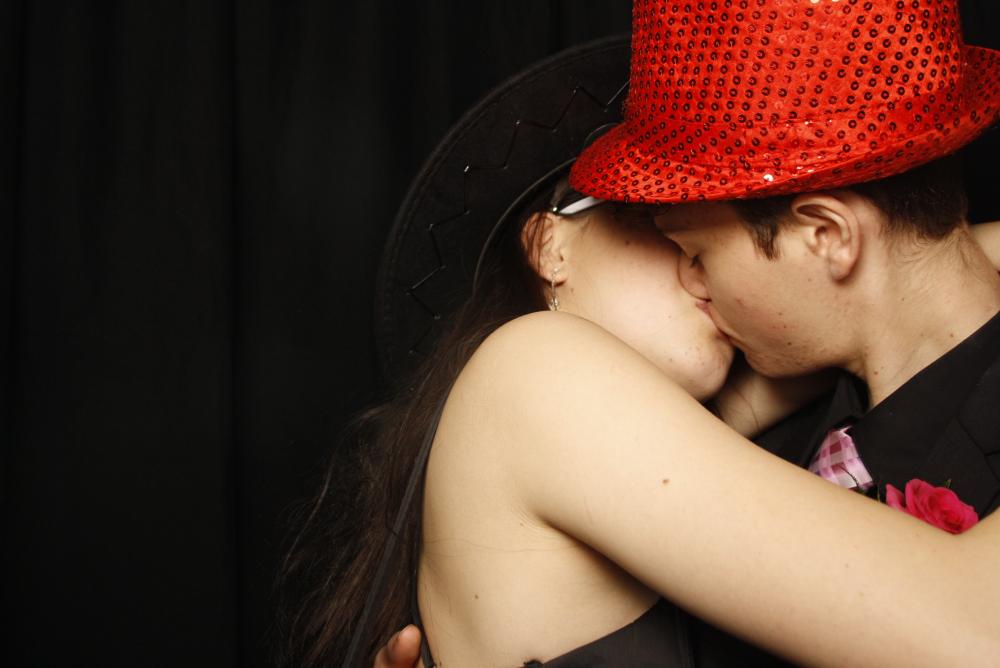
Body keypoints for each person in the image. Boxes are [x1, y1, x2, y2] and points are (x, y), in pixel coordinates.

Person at [310, 2, 1000, 665]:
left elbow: (915, 278)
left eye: (696, 241)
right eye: (655, 222)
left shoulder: (767, 419)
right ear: (548, 244)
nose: (698, 277)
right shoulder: (534, 371)